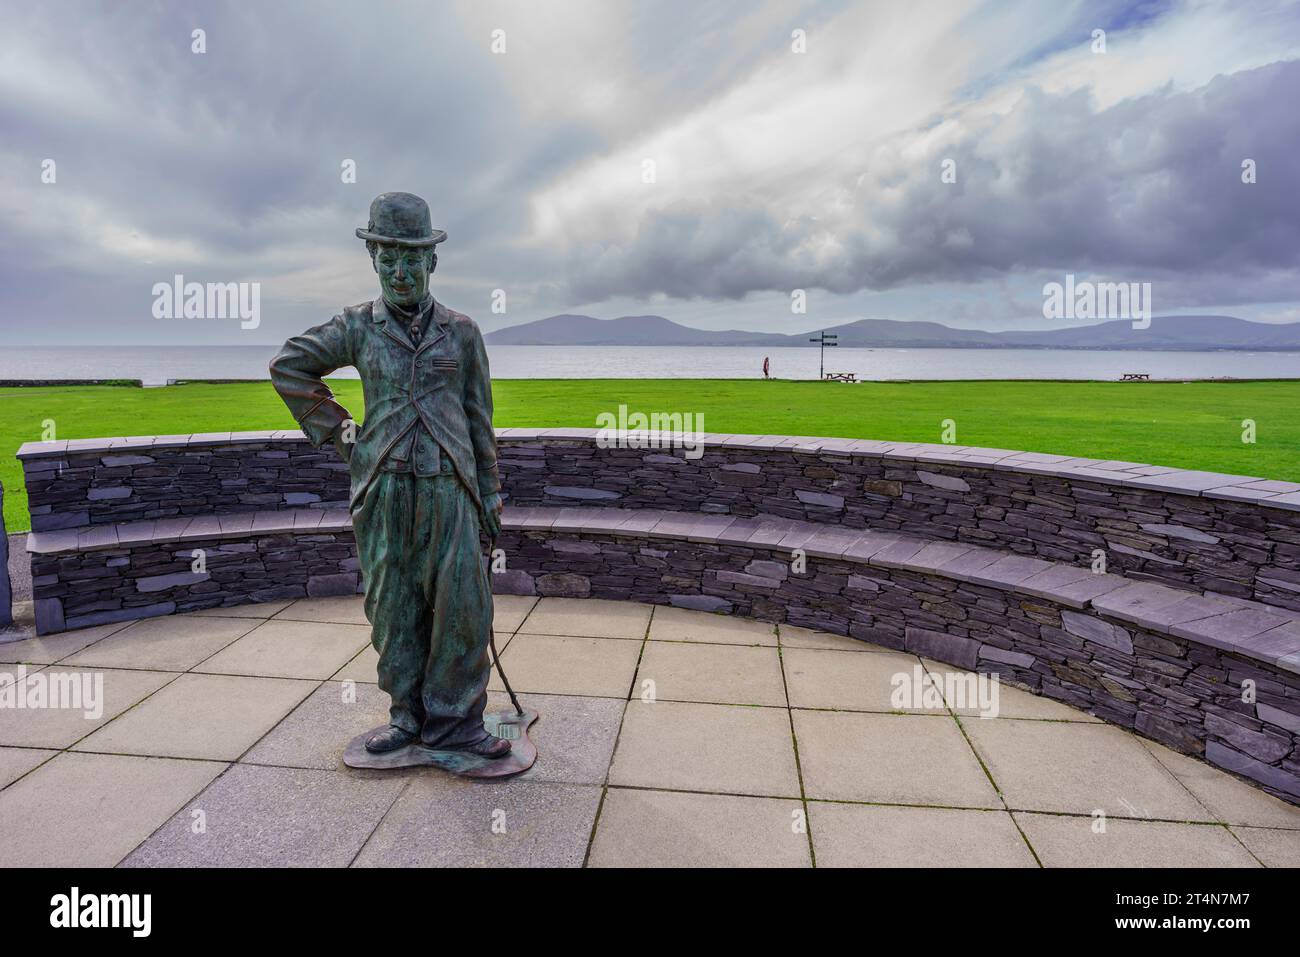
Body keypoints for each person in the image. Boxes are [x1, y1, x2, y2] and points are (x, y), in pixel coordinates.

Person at [269, 192, 508, 758]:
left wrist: (490, 493)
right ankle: (407, 717)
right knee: (392, 607)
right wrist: (342, 434)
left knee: (463, 609)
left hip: (451, 490)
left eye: (411, 259)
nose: (400, 272)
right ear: (373, 259)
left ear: (432, 262)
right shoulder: (356, 326)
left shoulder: (463, 333)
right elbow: (289, 367)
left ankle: (457, 724)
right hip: (385, 490)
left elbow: (479, 420)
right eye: (388, 260)